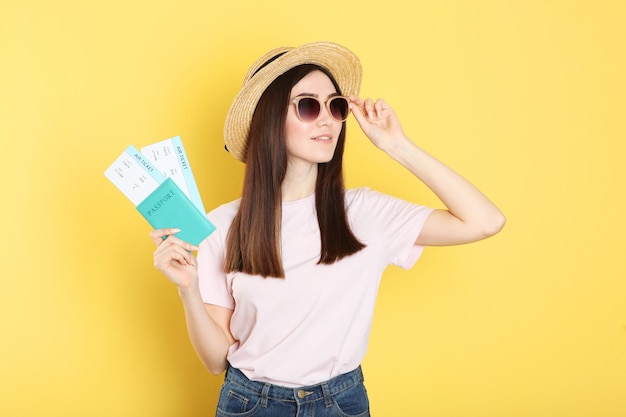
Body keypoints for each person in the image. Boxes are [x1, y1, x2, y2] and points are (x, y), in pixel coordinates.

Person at [150, 41, 505, 417]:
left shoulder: (366, 212)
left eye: (335, 106)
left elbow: (485, 221)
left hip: (341, 403)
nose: (327, 120)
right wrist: (187, 290)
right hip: (250, 403)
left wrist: (397, 145)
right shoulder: (223, 224)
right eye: (307, 105)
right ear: (269, 120)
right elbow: (216, 360)